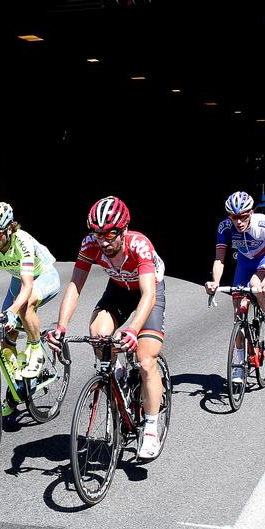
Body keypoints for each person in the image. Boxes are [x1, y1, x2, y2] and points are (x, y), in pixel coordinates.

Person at [46, 196, 166, 460]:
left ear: (123, 230)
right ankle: (118, 374)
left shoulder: (139, 245)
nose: (103, 241)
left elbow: (148, 295)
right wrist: (61, 326)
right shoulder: (90, 245)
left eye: (110, 234)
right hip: (119, 289)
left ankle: (150, 429)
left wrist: (133, 329)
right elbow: (75, 286)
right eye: (98, 234)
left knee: (146, 361)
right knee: (98, 335)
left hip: (148, 291)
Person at [0, 202, 60, 404]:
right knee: (4, 331)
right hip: (18, 279)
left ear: (9, 228)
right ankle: (16, 388)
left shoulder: (22, 242)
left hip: (42, 277)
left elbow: (27, 287)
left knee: (23, 306)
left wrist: (12, 311)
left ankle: (36, 348)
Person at [204, 191, 265, 384]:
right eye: (234, 217)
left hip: (264, 261)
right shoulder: (225, 226)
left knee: (256, 285)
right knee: (238, 314)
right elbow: (219, 259)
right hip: (245, 263)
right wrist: (215, 281)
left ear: (251, 213)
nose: (238, 222)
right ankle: (239, 364)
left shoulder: (264, 223)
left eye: (243, 217)